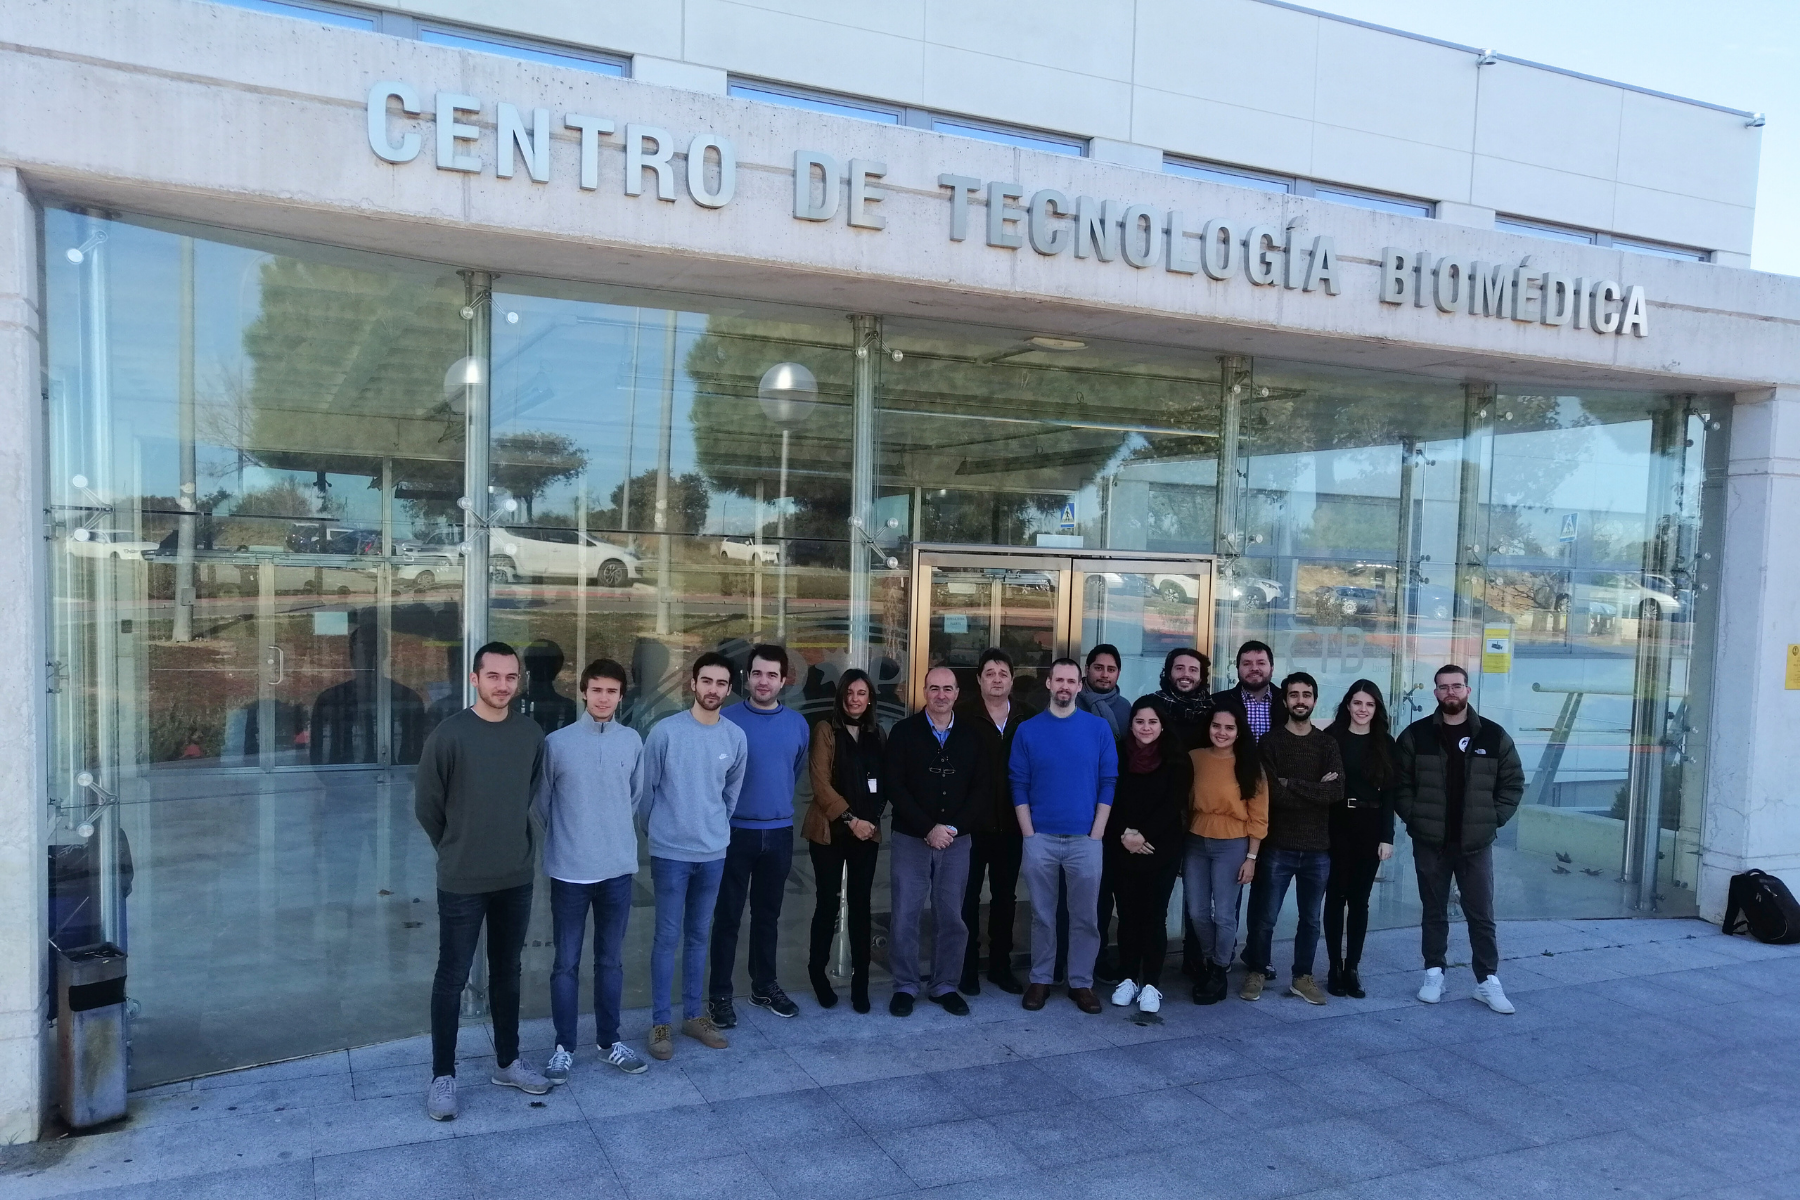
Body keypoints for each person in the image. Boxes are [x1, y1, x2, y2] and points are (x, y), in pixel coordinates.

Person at [415, 641, 550, 1122]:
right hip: (462, 878)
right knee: (451, 976)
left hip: (514, 874)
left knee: (507, 971)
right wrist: (457, 848)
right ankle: (442, 1076)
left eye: (511, 677)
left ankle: (508, 1061)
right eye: (493, 676)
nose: (503, 685)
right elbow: (427, 807)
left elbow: (527, 793)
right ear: (474, 679)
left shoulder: (530, 734)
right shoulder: (449, 735)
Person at [535, 658, 648, 1082]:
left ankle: (609, 1042)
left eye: (611, 691)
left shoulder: (632, 741)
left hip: (616, 870)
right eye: (596, 689)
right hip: (569, 872)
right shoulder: (557, 743)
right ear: (583, 692)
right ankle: (563, 1047)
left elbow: (633, 797)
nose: (603, 698)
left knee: (611, 962)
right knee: (565, 963)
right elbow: (541, 805)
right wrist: (572, 837)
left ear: (621, 697)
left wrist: (608, 834)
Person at [1393, 664, 1524, 1015]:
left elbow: (1512, 783)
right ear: (1435, 692)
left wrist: (1492, 820)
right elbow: (1400, 784)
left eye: (1456, 686)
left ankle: (1487, 980)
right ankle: (1434, 973)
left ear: (1467, 690)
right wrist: (1415, 818)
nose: (1450, 692)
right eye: (1443, 687)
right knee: (1434, 912)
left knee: (1481, 914)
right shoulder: (1416, 735)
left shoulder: (1493, 736)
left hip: (1475, 844)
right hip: (1431, 842)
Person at [637, 652, 748, 1060]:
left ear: (729, 688)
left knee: (700, 934)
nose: (712, 689)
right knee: (667, 937)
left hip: (713, 852)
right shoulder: (665, 732)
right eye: (706, 681)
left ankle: (693, 1015)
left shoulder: (735, 737)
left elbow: (731, 795)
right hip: (671, 853)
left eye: (720, 683)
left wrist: (713, 830)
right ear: (693, 683)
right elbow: (646, 792)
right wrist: (660, 832)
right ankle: (660, 1023)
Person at [709, 644, 810, 1026]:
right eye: (757, 674)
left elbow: (792, 770)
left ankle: (764, 986)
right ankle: (720, 994)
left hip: (779, 832)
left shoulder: (797, 725)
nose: (763, 681)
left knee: (768, 916)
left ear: (783, 680)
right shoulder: (726, 720)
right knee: (727, 917)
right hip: (734, 833)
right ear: (746, 678)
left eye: (771, 675)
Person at [1011, 658, 1118, 1014]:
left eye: (1071, 681)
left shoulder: (1098, 729)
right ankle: (1041, 978)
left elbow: (1108, 781)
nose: (1064, 687)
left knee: (1085, 916)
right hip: (1040, 837)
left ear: (1079, 685)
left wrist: (1097, 832)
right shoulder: (1028, 730)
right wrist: (1028, 833)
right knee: (1042, 914)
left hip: (1085, 839)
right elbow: (1018, 783)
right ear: (1048, 683)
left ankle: (1081, 982)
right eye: (1059, 680)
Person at [884, 665, 986, 1016]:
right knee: (905, 915)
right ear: (924, 691)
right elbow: (894, 785)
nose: (941, 695)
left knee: (952, 916)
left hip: (956, 841)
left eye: (947, 689)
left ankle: (945, 985)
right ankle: (905, 985)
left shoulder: (972, 735)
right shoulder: (903, 732)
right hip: (911, 838)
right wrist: (928, 828)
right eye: (934, 688)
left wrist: (953, 828)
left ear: (957, 693)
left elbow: (981, 788)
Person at [1240, 672, 1342, 1006]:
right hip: (1278, 846)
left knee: (1310, 920)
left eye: (1306, 694)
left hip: (1318, 849)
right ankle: (1257, 970)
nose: (1300, 700)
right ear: (1284, 701)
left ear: (1314, 700)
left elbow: (1335, 791)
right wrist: (1314, 789)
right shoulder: (1270, 742)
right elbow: (1271, 795)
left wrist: (1292, 783)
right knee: (1265, 918)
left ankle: (1302, 977)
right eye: (1294, 694)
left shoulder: (1327, 743)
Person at [802, 667, 885, 1014]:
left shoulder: (877, 733)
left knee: (861, 906)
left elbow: (885, 781)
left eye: (861, 693)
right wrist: (851, 820)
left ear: (870, 698)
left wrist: (870, 821)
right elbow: (820, 783)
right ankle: (817, 974)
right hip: (831, 831)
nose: (855, 699)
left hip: (866, 832)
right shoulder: (825, 729)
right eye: (849, 692)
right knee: (828, 904)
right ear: (841, 696)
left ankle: (860, 982)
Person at [1104, 696, 1190, 1014]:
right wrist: (1124, 835)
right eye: (1139, 721)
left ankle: (1151, 983)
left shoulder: (1178, 758)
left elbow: (1173, 804)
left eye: (1153, 722)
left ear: (1162, 725)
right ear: (1131, 725)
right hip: (1122, 847)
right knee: (1127, 915)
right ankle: (1128, 978)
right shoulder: (1116, 754)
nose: (1146, 727)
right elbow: (1108, 796)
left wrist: (1143, 835)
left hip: (1160, 849)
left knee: (1155, 916)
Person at [958, 648, 1033, 996]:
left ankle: (1001, 965)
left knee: (1005, 897)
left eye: (1003, 673)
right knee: (968, 897)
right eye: (990, 673)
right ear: (979, 679)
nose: (997, 679)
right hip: (972, 825)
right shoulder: (962, 715)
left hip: (1012, 824)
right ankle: (967, 965)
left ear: (1012, 679)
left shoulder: (1027, 717)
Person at [1183, 702, 1267, 1005]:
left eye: (1229, 728)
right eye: (1216, 726)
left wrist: (1251, 858)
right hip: (1195, 841)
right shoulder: (1194, 758)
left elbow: (1259, 817)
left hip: (1232, 844)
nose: (1222, 732)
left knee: (1224, 913)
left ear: (1239, 732)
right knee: (1196, 911)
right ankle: (1211, 960)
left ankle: (1219, 969)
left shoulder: (1250, 766)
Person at [1323, 680, 1397, 999]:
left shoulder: (1385, 743)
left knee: (1359, 901)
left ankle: (1352, 967)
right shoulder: (1331, 738)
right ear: (1348, 705)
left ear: (1376, 708)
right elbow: (1318, 780)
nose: (1362, 709)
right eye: (1357, 703)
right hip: (1337, 824)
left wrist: (1387, 837)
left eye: (1369, 704)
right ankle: (1334, 967)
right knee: (1335, 897)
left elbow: (1390, 794)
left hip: (1370, 825)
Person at [1210, 641, 1286, 743]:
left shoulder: (1286, 701)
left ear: (1272, 668)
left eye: (1261, 663)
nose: (1254, 668)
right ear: (1237, 669)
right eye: (1247, 664)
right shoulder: (1217, 701)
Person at [1154, 647, 1213, 750]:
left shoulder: (1212, 709)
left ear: (1201, 677)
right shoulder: (1152, 705)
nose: (1186, 674)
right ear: (1169, 673)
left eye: (1193, 670)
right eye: (1179, 668)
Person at [1075, 643, 1130, 737]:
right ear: (1087, 670)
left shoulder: (1125, 707)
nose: (1105, 675)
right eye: (1098, 668)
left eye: (1111, 670)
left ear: (1118, 673)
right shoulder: (1070, 702)